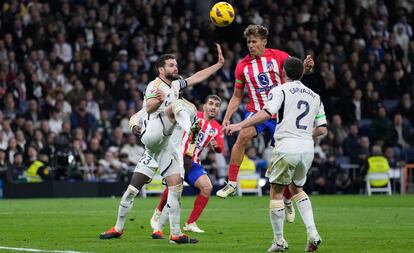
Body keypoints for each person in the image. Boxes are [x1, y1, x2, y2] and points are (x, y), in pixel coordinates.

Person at [99, 44, 224, 244]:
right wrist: (152, 107)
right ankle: (190, 126)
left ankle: (172, 233)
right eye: (171, 65)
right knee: (180, 106)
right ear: (161, 70)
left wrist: (217, 65)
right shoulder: (154, 85)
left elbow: (196, 77)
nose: (176, 68)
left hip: (163, 147)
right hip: (153, 135)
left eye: (176, 65)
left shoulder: (175, 86)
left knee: (172, 187)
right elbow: (146, 109)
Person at [223, 57, 326, 252]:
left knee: (276, 191)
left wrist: (239, 125)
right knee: (297, 189)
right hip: (307, 148)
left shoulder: (279, 90)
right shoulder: (315, 96)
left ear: (283, 73)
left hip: (286, 145)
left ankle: (279, 241)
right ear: (301, 73)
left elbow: (265, 114)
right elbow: (322, 129)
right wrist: (304, 133)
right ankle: (312, 232)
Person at [216, 24, 314, 223]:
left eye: (254, 41)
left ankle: (287, 199)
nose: (251, 45)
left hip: (280, 114)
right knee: (242, 136)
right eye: (248, 42)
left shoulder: (279, 56)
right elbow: (236, 97)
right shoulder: (242, 66)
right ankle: (232, 183)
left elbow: (296, 75)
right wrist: (227, 116)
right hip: (257, 111)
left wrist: (307, 69)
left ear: (264, 42)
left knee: (285, 161)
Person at [149, 95, 224, 236]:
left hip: (193, 163)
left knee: (207, 187)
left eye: (217, 105)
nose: (213, 107)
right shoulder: (193, 116)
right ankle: (158, 213)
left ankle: (190, 223)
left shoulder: (216, 128)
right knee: (174, 187)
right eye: (211, 104)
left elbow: (220, 148)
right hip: (178, 156)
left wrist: (217, 146)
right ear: (205, 106)